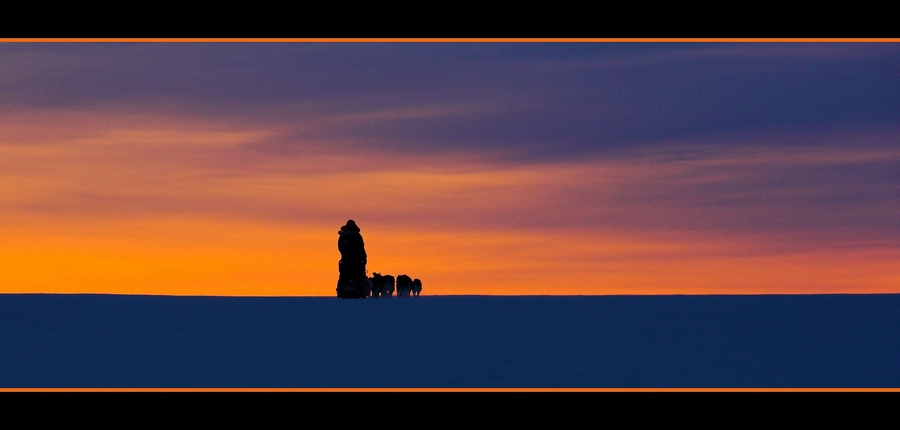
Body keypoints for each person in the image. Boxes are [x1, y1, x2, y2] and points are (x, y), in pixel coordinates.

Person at [336, 219, 368, 298]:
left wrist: (345, 255)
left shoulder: (342, 236)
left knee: (343, 277)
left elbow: (340, 248)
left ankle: (341, 290)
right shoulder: (357, 236)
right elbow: (361, 248)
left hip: (345, 261)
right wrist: (364, 258)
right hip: (356, 261)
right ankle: (360, 290)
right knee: (359, 277)